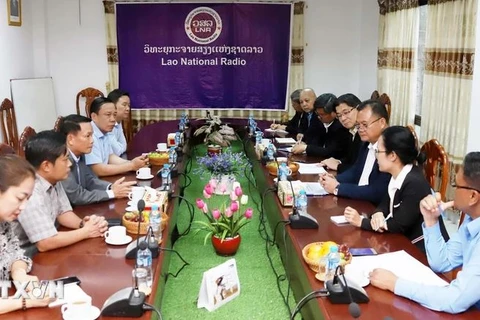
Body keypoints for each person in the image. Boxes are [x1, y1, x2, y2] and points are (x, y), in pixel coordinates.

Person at [369, 152, 480, 314]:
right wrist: (431, 221)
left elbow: (454, 300)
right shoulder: (471, 220)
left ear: (472, 196)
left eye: (455, 186)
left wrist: (395, 284)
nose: (452, 191)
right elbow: (442, 262)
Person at [343, 126, 449, 251]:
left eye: (378, 151)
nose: (376, 156)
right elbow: (385, 202)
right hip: (403, 242)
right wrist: (378, 213)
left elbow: (398, 225)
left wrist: (361, 222)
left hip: (424, 252)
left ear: (393, 155)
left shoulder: (414, 183)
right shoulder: (398, 175)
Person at [12, 131, 108, 255]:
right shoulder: (30, 192)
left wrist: (83, 224)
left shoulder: (53, 179)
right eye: (65, 159)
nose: (69, 164)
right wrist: (87, 232)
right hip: (26, 256)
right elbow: (44, 243)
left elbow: (63, 212)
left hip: (49, 245)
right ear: (46, 166)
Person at [0, 155, 51, 314]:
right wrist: (24, 301)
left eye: (27, 199)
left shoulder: (4, 222)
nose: (23, 207)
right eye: (20, 198)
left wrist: (19, 273)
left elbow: (16, 253)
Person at [319, 99, 390, 205]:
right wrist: (334, 179)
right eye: (358, 125)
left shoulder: (390, 149)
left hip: (375, 209)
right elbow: (355, 171)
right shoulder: (366, 143)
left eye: (365, 125)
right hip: (359, 199)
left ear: (382, 122)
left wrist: (338, 188)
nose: (360, 129)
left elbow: (377, 192)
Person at [59, 114, 136, 206]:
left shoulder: (80, 154)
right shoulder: (62, 161)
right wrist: (112, 193)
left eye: (92, 135)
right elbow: (77, 196)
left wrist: (111, 187)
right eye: (88, 136)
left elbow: (90, 181)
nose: (92, 141)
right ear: (71, 139)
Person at [85, 97, 148, 177]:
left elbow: (110, 157)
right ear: (94, 116)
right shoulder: (89, 135)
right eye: (108, 115)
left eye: (114, 115)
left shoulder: (104, 131)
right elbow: (98, 170)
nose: (113, 119)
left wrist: (133, 163)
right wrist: (131, 166)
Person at [291, 93, 351, 159]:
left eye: (322, 114)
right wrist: (303, 143)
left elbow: (331, 152)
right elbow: (311, 138)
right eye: (317, 114)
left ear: (334, 113)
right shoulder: (319, 121)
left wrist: (306, 148)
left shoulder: (342, 126)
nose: (319, 117)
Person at [320, 93, 362, 173]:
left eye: (346, 112)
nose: (343, 118)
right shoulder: (351, 131)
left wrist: (338, 166)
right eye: (339, 115)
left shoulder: (364, 133)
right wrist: (338, 161)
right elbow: (350, 158)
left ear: (359, 108)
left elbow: (359, 169)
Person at [106, 89, 130, 156]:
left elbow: (124, 147)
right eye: (124, 105)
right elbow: (118, 151)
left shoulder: (118, 122)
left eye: (128, 105)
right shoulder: (107, 124)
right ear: (112, 105)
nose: (128, 108)